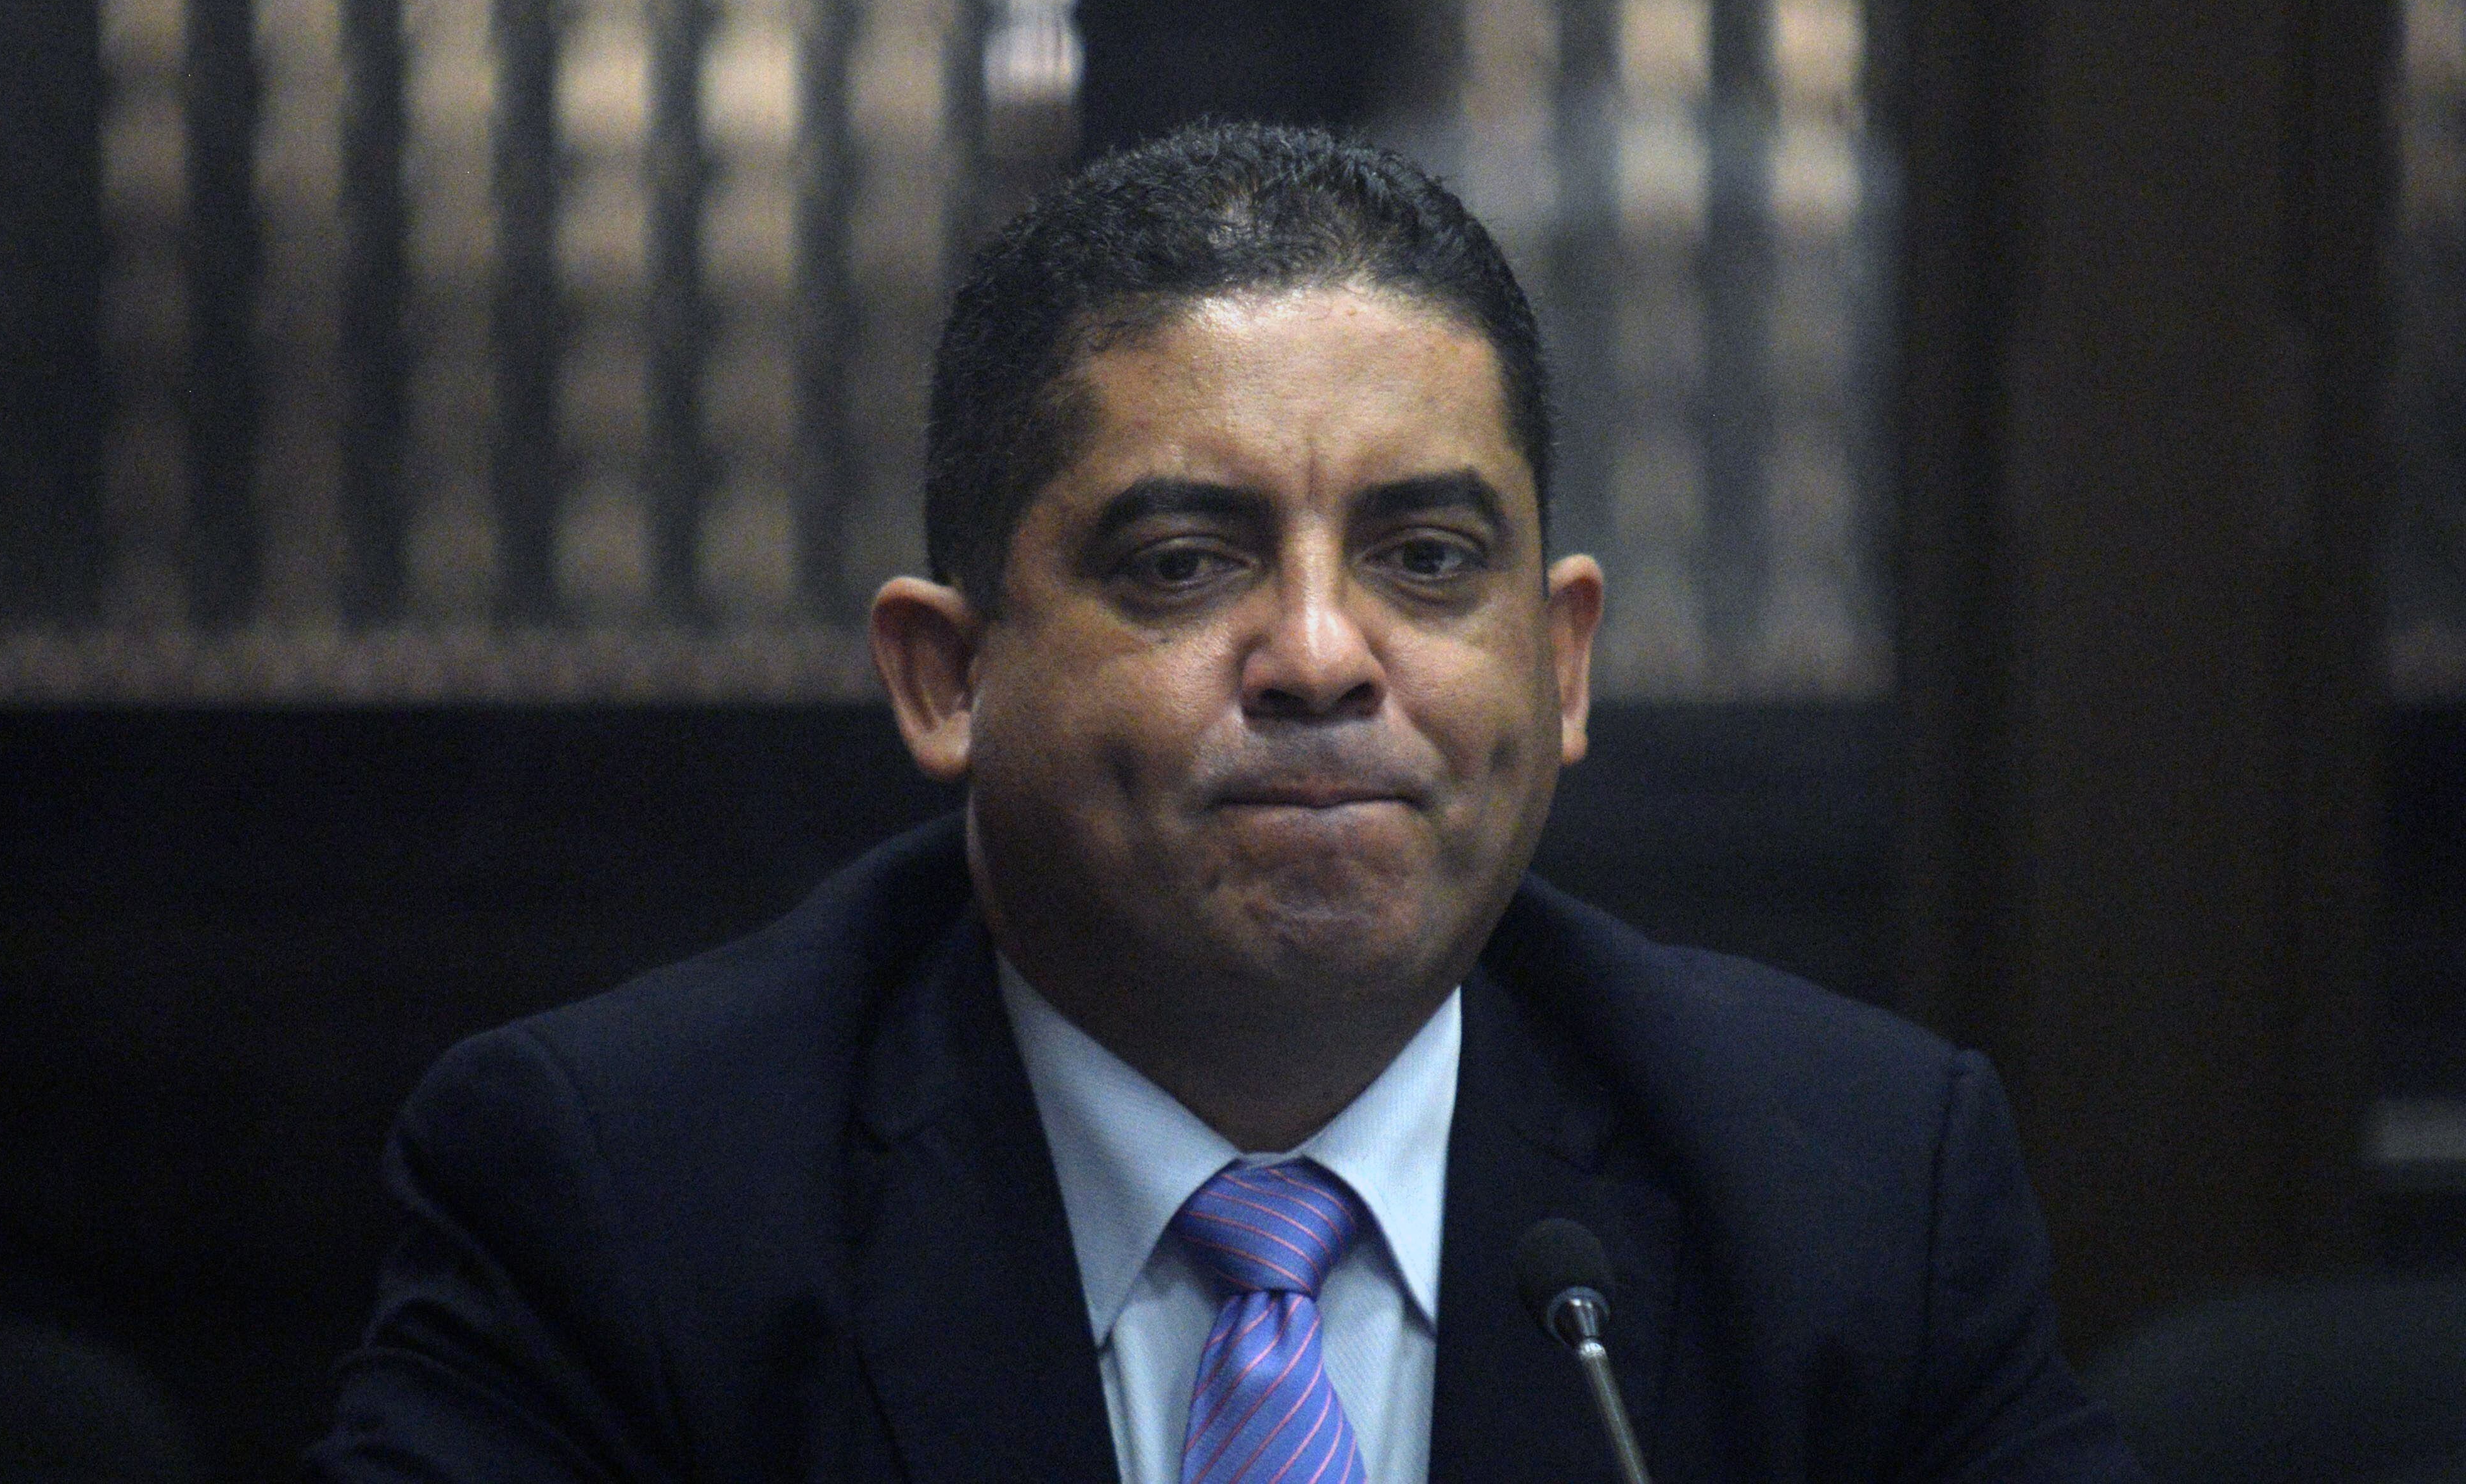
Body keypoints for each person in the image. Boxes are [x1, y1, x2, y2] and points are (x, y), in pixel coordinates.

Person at [309, 122, 2145, 1483]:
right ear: (949, 679)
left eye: (1429, 559)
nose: (1323, 656)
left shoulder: (1850, 1190)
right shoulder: (628, 1199)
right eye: (1184, 564)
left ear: (1562, 661)